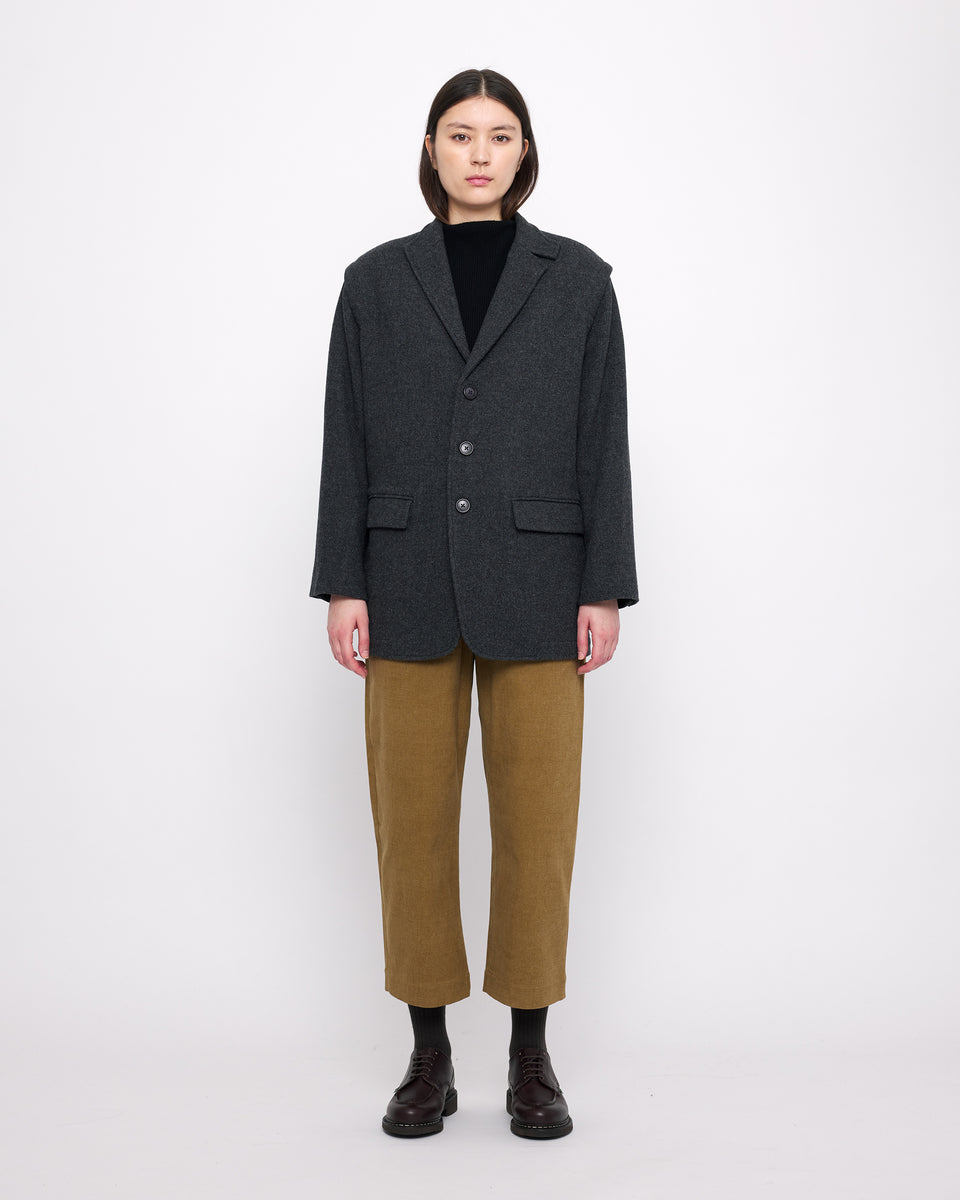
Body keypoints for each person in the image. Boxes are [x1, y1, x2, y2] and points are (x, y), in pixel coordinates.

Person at [309, 67, 638, 1140]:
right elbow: (347, 435)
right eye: (461, 134)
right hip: (402, 578)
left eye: (500, 135)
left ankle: (531, 1057)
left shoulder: (578, 281)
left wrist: (604, 586)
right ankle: (430, 1055)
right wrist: (344, 579)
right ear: (431, 149)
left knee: (539, 827)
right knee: (411, 827)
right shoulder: (374, 281)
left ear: (524, 150)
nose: (481, 152)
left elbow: (602, 439)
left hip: (543, 581)